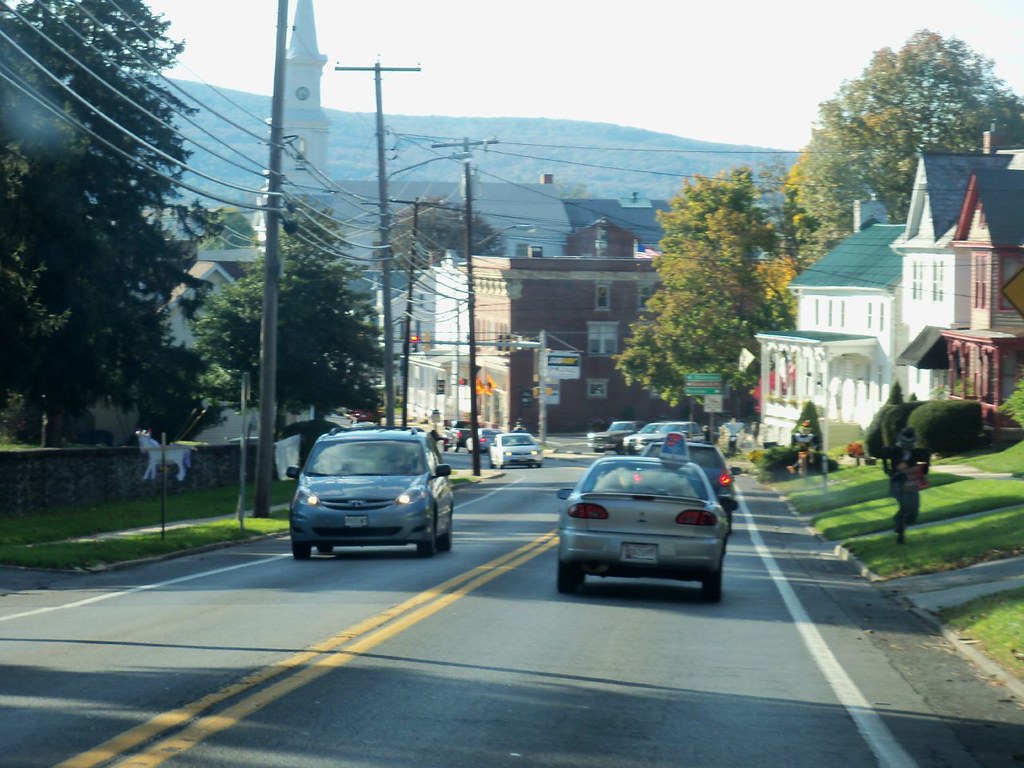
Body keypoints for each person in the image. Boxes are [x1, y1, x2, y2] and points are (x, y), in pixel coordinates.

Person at [878, 426, 931, 544]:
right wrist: (888, 470)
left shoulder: (915, 453)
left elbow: (924, 464)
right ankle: (900, 531)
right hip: (897, 482)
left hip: (911, 482)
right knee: (905, 506)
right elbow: (884, 456)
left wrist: (925, 468)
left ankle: (899, 521)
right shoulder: (894, 451)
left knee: (913, 510)